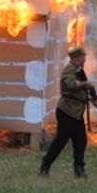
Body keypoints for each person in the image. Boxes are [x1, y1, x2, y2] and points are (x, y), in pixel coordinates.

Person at [39, 46, 93, 179]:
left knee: (81, 141)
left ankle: (79, 169)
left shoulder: (78, 70)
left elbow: (79, 92)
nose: (84, 60)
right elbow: (71, 84)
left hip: (76, 113)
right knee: (60, 142)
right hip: (67, 112)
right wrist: (84, 84)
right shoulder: (69, 70)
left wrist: (92, 98)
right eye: (82, 57)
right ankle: (45, 166)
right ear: (76, 58)